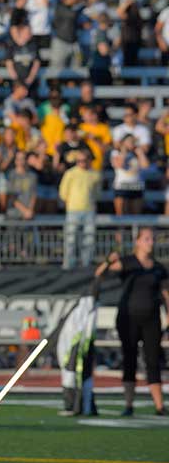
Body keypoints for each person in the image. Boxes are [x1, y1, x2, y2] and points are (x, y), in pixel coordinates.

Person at [94, 228, 168, 416]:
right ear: (137, 242)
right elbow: (100, 274)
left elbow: (167, 294)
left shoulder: (159, 268)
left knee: (153, 360)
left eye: (152, 239)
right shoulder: (128, 263)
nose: (150, 242)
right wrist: (109, 260)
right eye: (146, 239)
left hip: (151, 318)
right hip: (128, 318)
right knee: (130, 359)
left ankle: (160, 406)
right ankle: (129, 404)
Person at [59, 152, 101, 270]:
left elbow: (98, 194)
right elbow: (63, 192)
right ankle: (68, 264)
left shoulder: (95, 174)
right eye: (79, 161)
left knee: (89, 238)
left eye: (84, 160)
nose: (81, 163)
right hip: (73, 210)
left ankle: (85, 264)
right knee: (70, 238)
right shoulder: (70, 173)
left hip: (89, 210)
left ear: (89, 160)